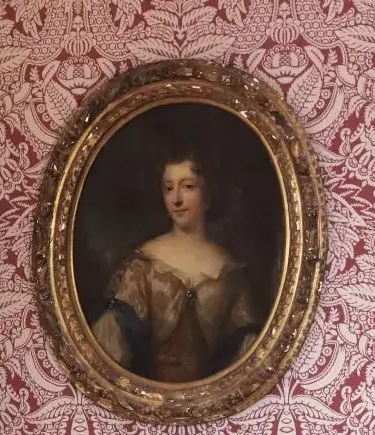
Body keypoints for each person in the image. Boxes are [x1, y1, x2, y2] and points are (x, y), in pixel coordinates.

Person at [88, 147, 262, 383]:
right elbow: (110, 349)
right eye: (168, 188)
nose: (176, 199)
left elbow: (247, 357)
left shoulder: (231, 271)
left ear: (208, 194)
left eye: (188, 186)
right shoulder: (143, 263)